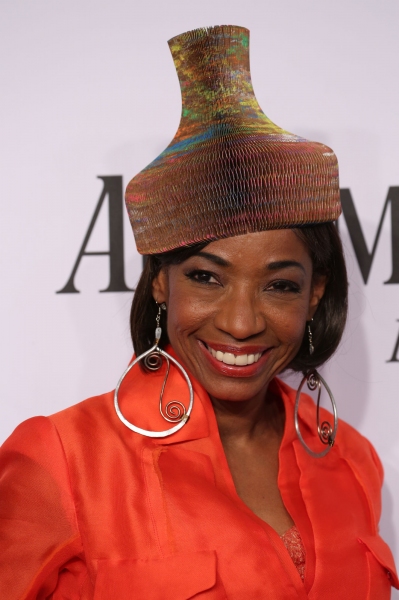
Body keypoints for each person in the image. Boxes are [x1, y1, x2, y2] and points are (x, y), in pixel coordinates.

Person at [0, 24, 397, 599]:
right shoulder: (60, 460)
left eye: (280, 286)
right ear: (161, 283)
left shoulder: (353, 458)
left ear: (316, 294)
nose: (241, 323)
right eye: (207, 277)